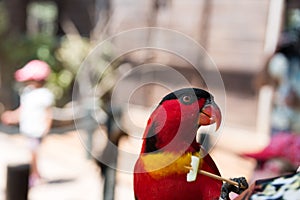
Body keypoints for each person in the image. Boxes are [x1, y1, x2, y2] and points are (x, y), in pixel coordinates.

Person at [1, 60, 54, 186]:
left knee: (33, 152)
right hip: (29, 128)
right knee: (32, 152)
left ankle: (34, 175)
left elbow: (48, 113)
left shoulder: (44, 95)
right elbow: (23, 110)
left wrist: (46, 128)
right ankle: (36, 174)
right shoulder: (27, 92)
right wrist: (12, 117)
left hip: (37, 130)